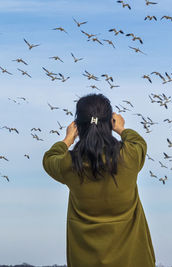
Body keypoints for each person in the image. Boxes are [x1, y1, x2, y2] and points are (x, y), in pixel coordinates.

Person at [42, 93, 155, 267]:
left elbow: (50, 158)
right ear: (110, 122)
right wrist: (121, 128)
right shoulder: (129, 156)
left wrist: (68, 138)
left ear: (78, 126)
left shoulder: (69, 164)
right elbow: (138, 142)